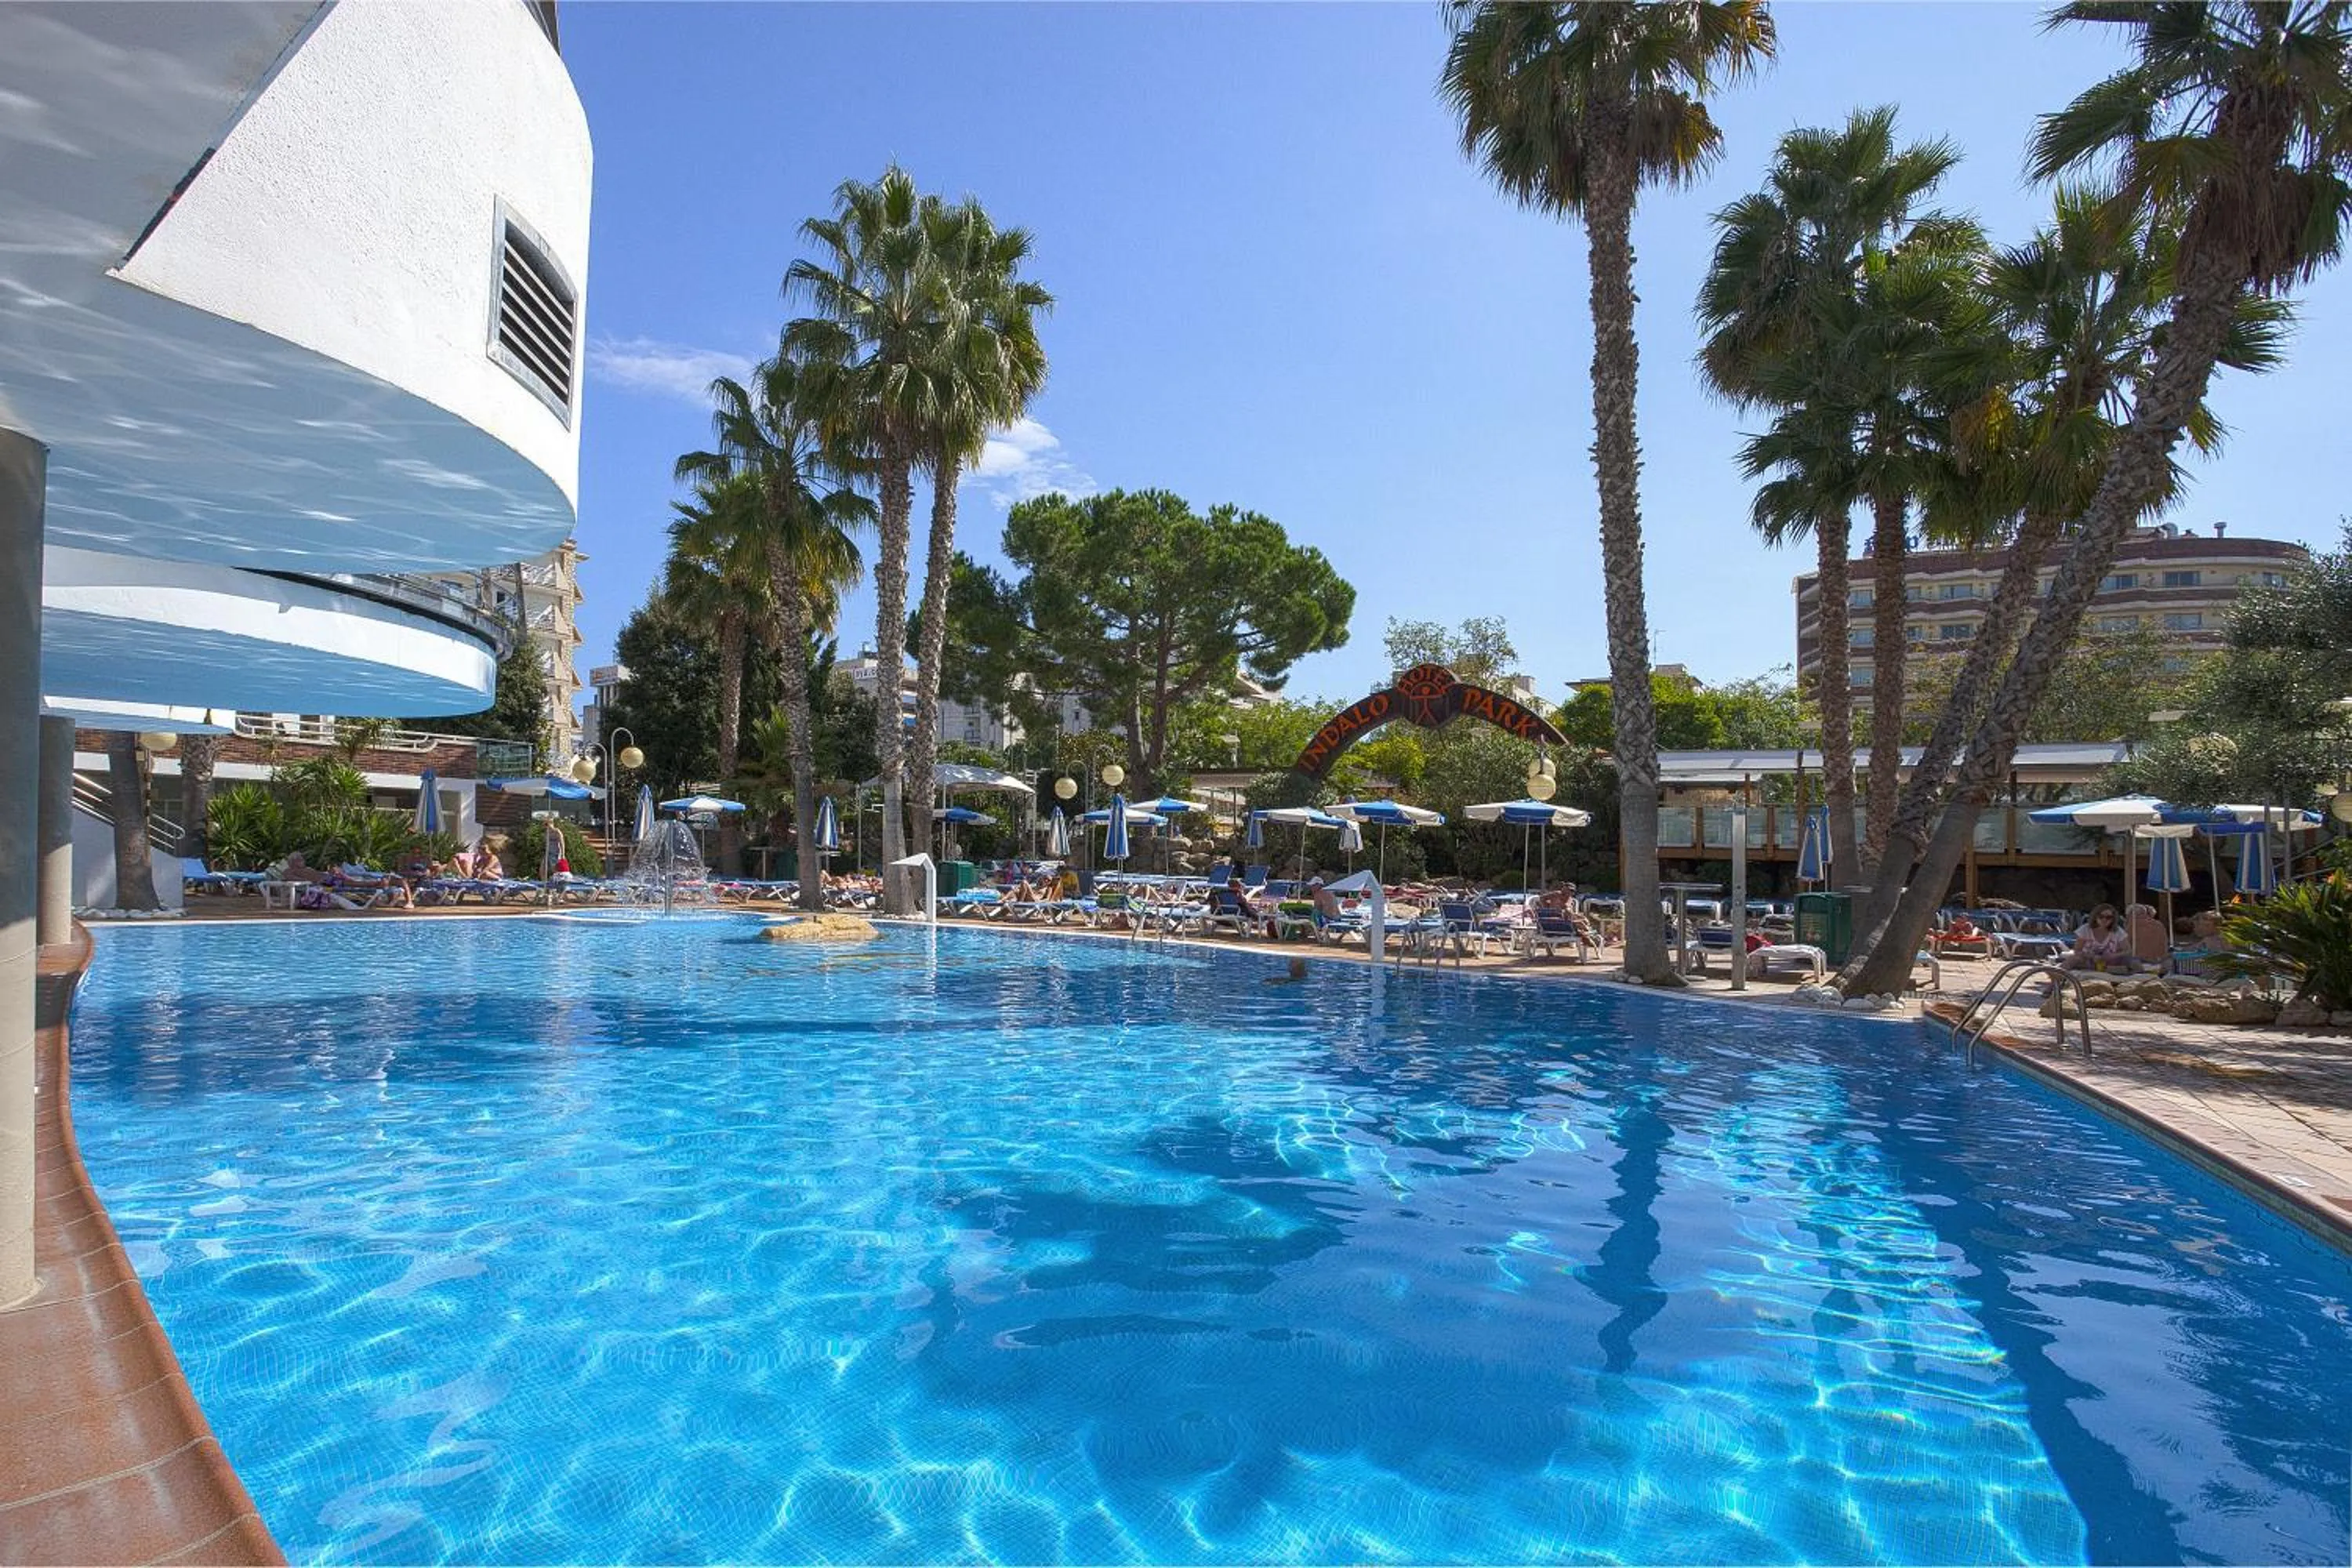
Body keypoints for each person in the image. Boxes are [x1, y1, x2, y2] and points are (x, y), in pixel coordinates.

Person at [2062, 904, 2132, 972]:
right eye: (2101, 916)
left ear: (2113, 919)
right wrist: (2091, 956)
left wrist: (2113, 956)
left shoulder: (2117, 931)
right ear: (2095, 917)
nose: (2104, 919)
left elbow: (2128, 951)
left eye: (2108, 917)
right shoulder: (2086, 929)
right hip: (2088, 961)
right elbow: (2077, 950)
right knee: (2072, 960)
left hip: (2110, 963)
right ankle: (2056, 981)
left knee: (2132, 963)